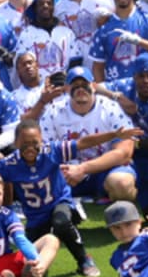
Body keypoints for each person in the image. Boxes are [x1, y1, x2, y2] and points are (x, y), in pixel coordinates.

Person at [0, 119, 103, 277]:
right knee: (29, 259)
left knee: (61, 222)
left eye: (35, 142)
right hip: (35, 216)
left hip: (58, 202)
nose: (31, 147)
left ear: (41, 140)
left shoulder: (52, 151)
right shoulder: (10, 164)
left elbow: (83, 142)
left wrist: (114, 135)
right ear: (16, 143)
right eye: (25, 143)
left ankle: (84, 260)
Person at [96, 52, 148, 220]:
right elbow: (93, 86)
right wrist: (117, 97)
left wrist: (135, 144)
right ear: (134, 76)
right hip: (130, 150)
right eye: (141, 76)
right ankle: (124, 214)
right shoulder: (126, 87)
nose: (146, 81)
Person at [39, 67, 138, 203]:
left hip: (103, 170)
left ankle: (121, 220)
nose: (80, 89)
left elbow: (124, 152)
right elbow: (43, 150)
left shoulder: (111, 108)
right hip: (66, 172)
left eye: (85, 84)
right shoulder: (54, 111)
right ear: (66, 88)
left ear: (94, 86)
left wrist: (82, 169)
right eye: (75, 85)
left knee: (122, 182)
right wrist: (61, 170)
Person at [15, 0, 77, 88]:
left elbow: (76, 59)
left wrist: (67, 77)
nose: (45, 6)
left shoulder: (66, 32)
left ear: (53, 7)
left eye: (49, 3)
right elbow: (21, 63)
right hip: (37, 89)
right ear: (35, 8)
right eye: (41, 4)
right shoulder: (26, 34)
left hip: (63, 87)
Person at [11, 51, 63, 120]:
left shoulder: (53, 85)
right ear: (18, 71)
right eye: (23, 65)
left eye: (30, 62)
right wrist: (42, 101)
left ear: (37, 65)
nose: (28, 66)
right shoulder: (15, 97)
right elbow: (22, 121)